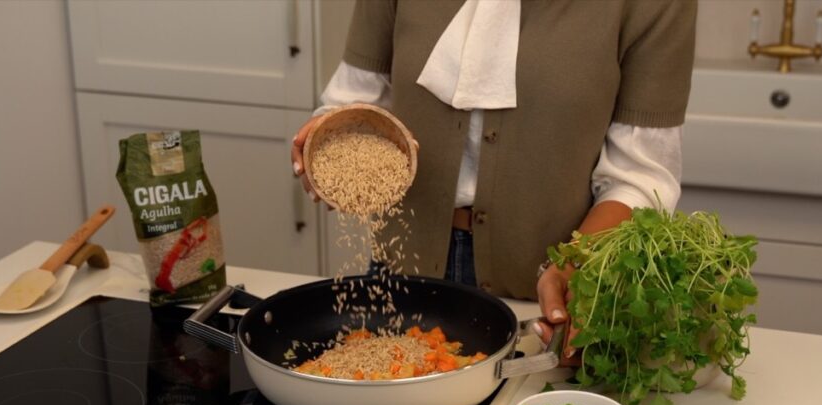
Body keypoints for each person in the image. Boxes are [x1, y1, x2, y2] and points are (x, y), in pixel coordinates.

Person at [292, 0, 696, 363]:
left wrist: (578, 263)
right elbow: (356, 101)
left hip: (546, 298)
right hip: (397, 277)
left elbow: (641, 175)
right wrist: (330, 140)